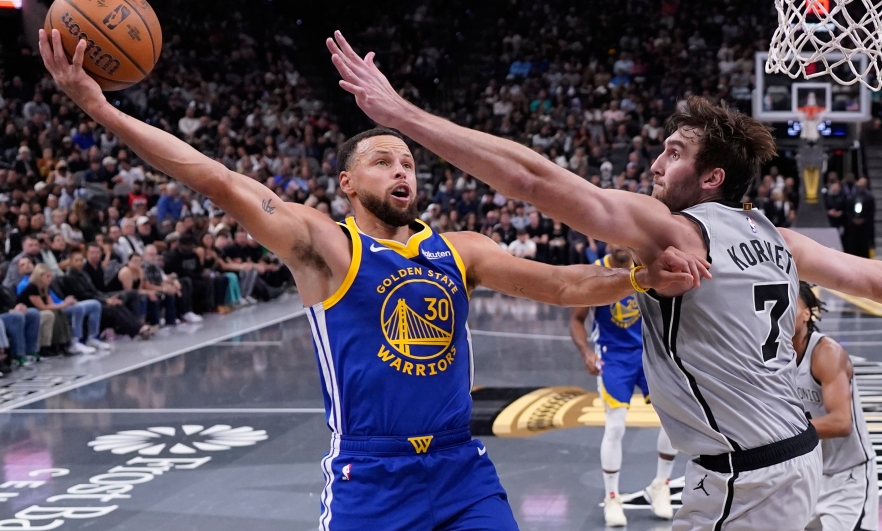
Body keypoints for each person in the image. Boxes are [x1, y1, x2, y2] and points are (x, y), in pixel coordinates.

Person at [40, 32, 709, 530]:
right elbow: (215, 178)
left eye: (409, 162)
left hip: (460, 468)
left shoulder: (460, 249)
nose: (402, 171)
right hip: (371, 475)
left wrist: (636, 271)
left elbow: (566, 286)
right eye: (384, 160)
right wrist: (102, 109)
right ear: (347, 183)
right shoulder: (324, 247)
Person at [328, 33, 882, 530]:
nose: (654, 163)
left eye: (673, 152)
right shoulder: (776, 236)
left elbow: (536, 181)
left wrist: (402, 115)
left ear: (710, 178)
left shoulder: (676, 228)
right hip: (789, 461)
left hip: (743, 479)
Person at [569, 244, 677, 526]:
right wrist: (586, 353)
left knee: (674, 421)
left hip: (649, 354)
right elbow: (577, 320)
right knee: (615, 426)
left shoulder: (649, 268)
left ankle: (661, 484)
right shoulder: (595, 273)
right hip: (613, 357)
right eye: (612, 238)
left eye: (623, 238)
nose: (618, 243)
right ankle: (613, 497)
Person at [793, 283, 878, 531]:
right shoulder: (771, 357)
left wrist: (782, 433)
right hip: (804, 476)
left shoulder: (826, 353)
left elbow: (841, 423)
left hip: (846, 477)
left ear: (807, 313)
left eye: (789, 306)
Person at [17, 264, 73, 357]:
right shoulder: (32, 288)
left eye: (50, 276)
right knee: (50, 314)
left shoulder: (45, 287)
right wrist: (64, 304)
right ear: (39, 276)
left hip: (39, 311)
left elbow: (50, 304)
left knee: (59, 312)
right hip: (30, 312)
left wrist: (61, 306)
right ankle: (48, 345)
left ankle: (64, 342)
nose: (50, 279)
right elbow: (42, 307)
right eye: (47, 276)